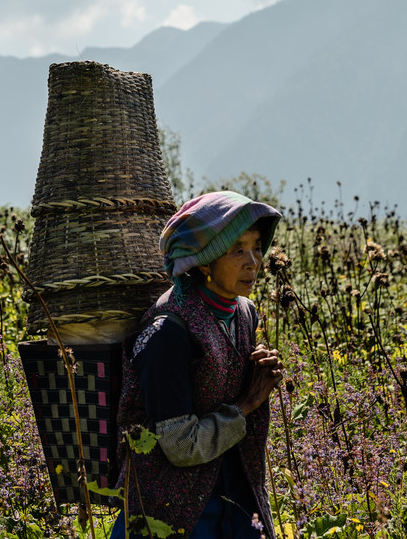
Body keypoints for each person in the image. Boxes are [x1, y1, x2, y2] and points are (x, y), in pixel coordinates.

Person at [111, 191, 284, 539]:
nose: (253, 261)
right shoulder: (167, 332)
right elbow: (181, 445)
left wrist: (257, 370)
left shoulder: (243, 312)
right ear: (204, 261)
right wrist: (248, 402)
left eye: (256, 246)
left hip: (233, 496)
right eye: (237, 250)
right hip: (174, 511)